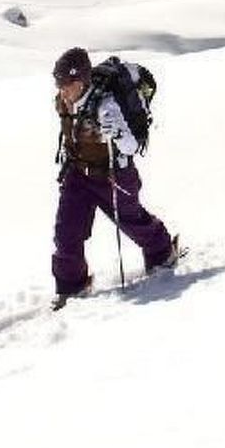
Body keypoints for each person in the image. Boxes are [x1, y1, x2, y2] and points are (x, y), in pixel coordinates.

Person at [50, 46, 179, 308]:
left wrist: (117, 134)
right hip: (78, 173)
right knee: (66, 231)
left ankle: (163, 252)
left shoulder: (106, 106)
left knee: (132, 221)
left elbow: (131, 148)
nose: (63, 91)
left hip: (112, 173)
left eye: (67, 84)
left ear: (81, 81)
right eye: (60, 84)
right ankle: (72, 286)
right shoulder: (63, 102)